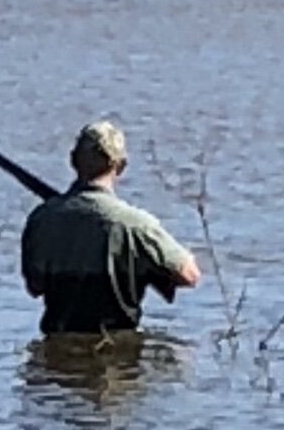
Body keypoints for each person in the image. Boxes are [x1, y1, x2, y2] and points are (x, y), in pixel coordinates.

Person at [19, 120, 202, 336]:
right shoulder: (137, 224)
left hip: (57, 347)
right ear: (121, 166)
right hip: (120, 353)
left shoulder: (41, 219)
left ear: (72, 161)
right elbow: (189, 275)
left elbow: (35, 286)